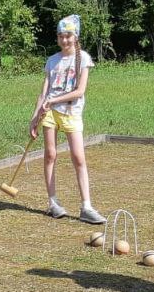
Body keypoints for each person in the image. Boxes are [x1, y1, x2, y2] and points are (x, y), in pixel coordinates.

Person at [30, 15, 106, 224]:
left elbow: (79, 91)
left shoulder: (84, 58)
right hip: (49, 114)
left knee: (78, 157)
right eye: (61, 36)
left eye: (68, 36)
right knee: (50, 155)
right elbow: (43, 92)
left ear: (76, 37)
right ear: (57, 38)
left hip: (71, 113)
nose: (65, 40)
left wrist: (54, 100)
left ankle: (86, 206)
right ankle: (53, 202)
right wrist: (35, 116)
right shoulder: (52, 60)